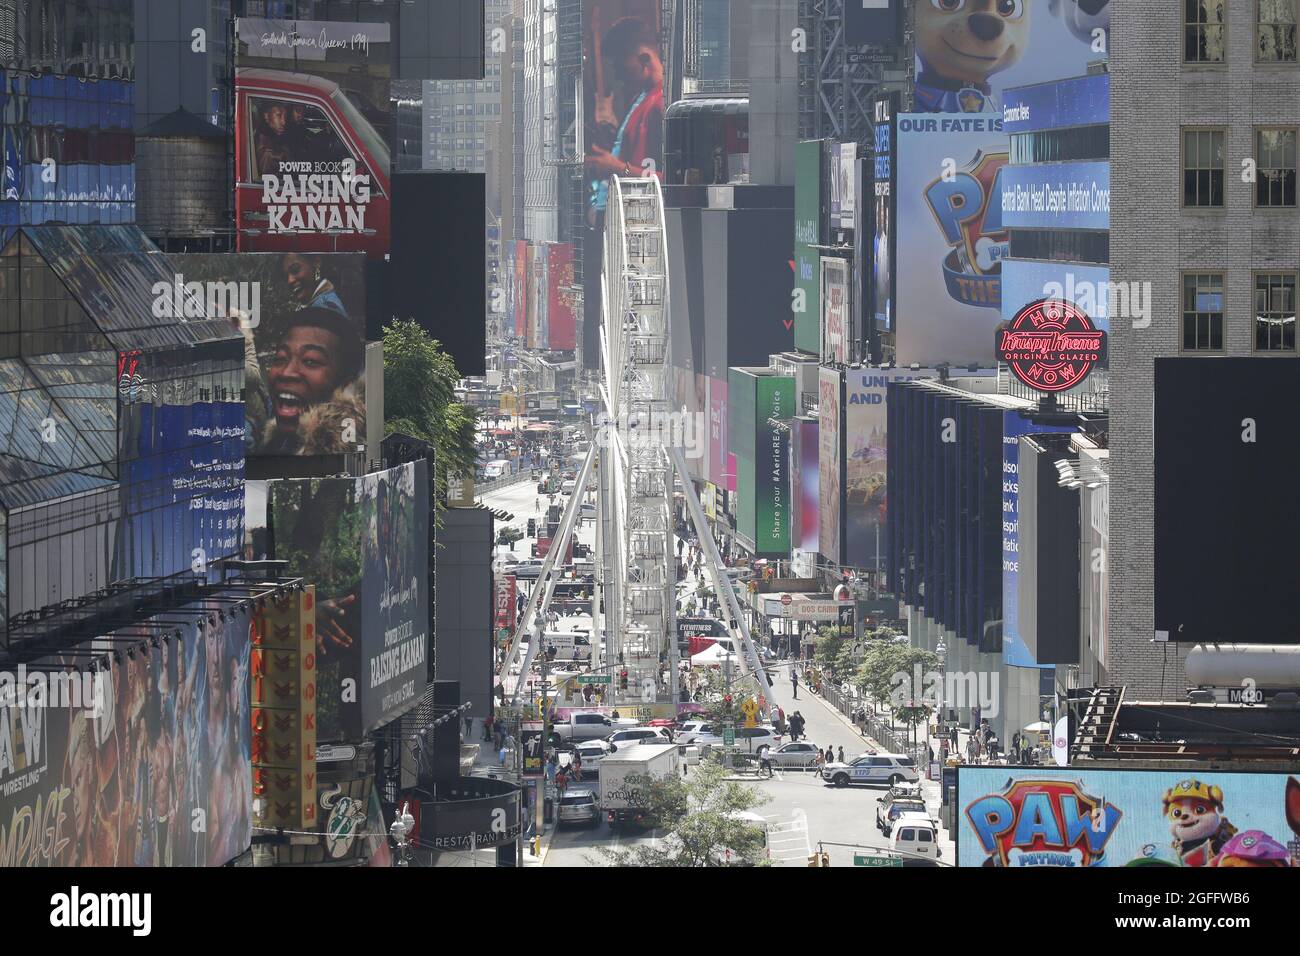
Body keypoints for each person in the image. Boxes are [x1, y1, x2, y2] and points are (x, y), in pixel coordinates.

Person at [261, 307, 366, 455]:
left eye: (310, 361)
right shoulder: (276, 446)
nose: (286, 372)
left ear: (346, 386)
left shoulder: (349, 463)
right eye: (280, 358)